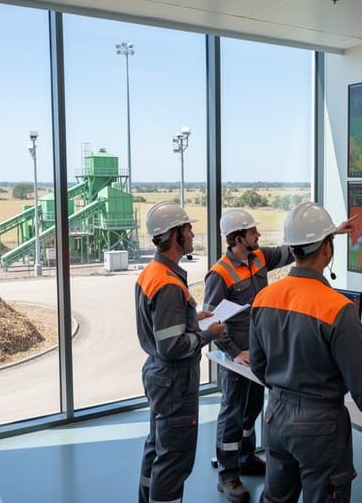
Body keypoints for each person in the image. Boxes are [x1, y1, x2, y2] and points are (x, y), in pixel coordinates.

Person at [249, 202, 362, 503]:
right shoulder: (337, 309)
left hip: (276, 416)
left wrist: (286, 391)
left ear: (292, 248)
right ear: (327, 249)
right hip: (320, 427)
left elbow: (258, 364)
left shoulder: (264, 297)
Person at [205, 208, 355, 503]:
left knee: (250, 412)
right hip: (238, 359)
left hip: (259, 354)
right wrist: (234, 352)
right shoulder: (220, 273)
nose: (258, 235)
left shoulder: (259, 257)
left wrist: (332, 232)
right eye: (252, 232)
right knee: (232, 416)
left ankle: (246, 458)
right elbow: (210, 321)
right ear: (238, 238)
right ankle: (228, 475)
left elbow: (295, 249)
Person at [135, 201, 226, 503]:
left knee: (157, 448)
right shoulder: (169, 285)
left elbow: (160, 327)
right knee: (174, 460)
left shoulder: (153, 273)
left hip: (159, 375)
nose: (192, 234)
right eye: (188, 229)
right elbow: (172, 346)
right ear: (176, 236)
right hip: (174, 380)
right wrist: (208, 334)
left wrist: (192, 319)